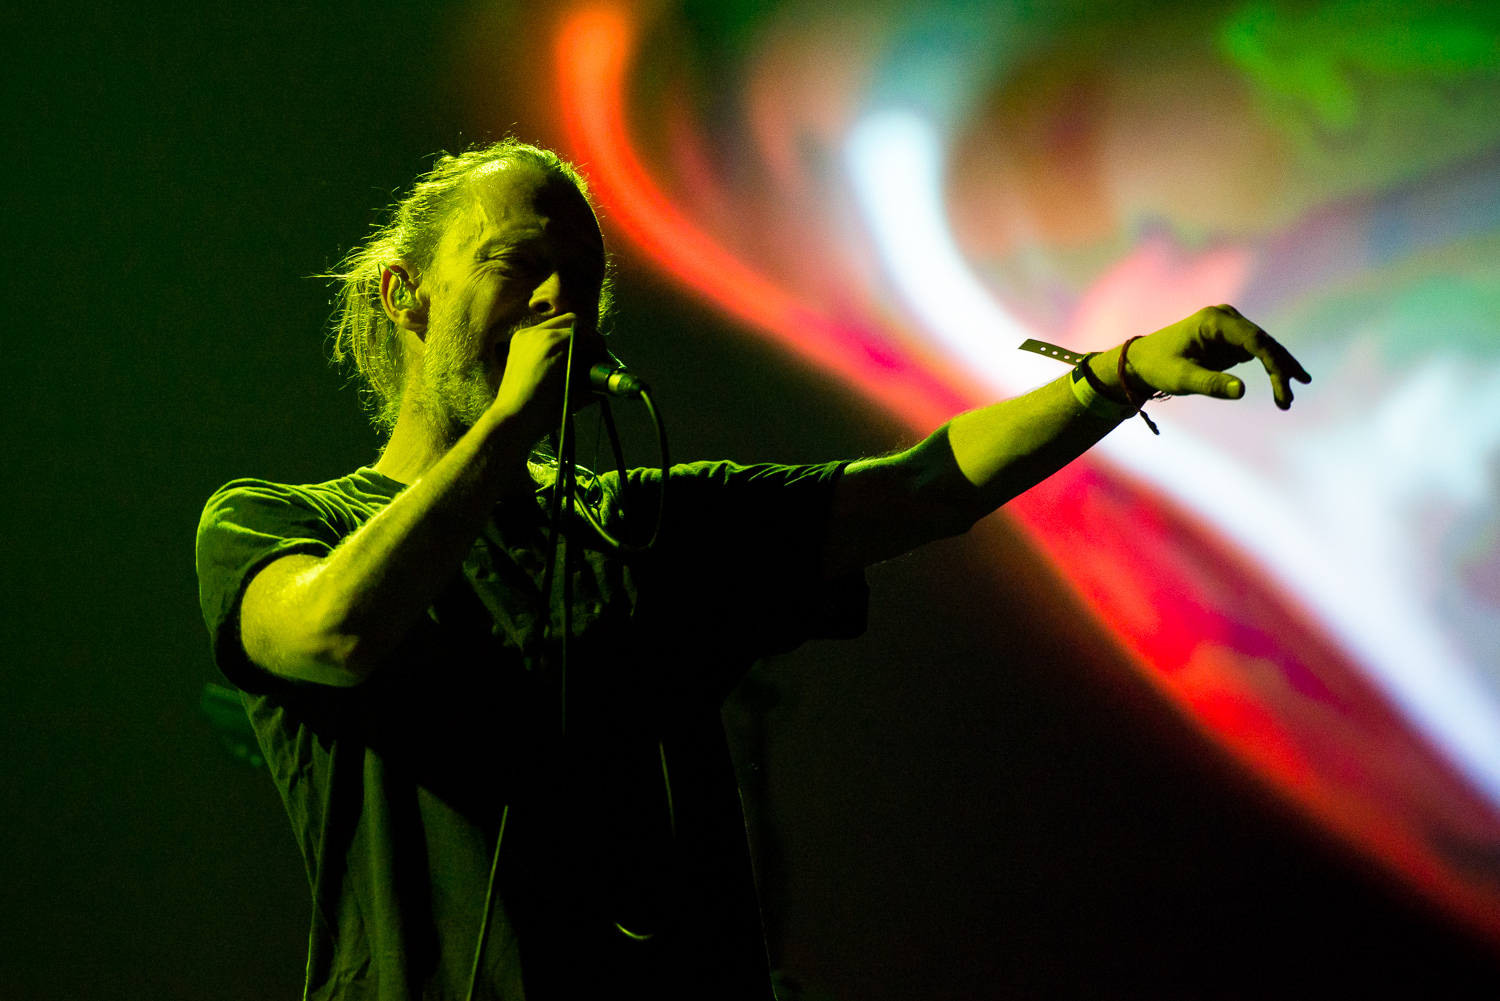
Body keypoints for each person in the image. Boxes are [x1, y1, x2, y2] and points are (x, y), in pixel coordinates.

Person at [195, 139, 1309, 1001]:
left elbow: (916, 486)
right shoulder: (273, 522)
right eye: (518, 265)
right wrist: (506, 432)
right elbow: (333, 632)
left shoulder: (641, 527)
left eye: (580, 281)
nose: (557, 305)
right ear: (408, 296)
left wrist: (1111, 378)